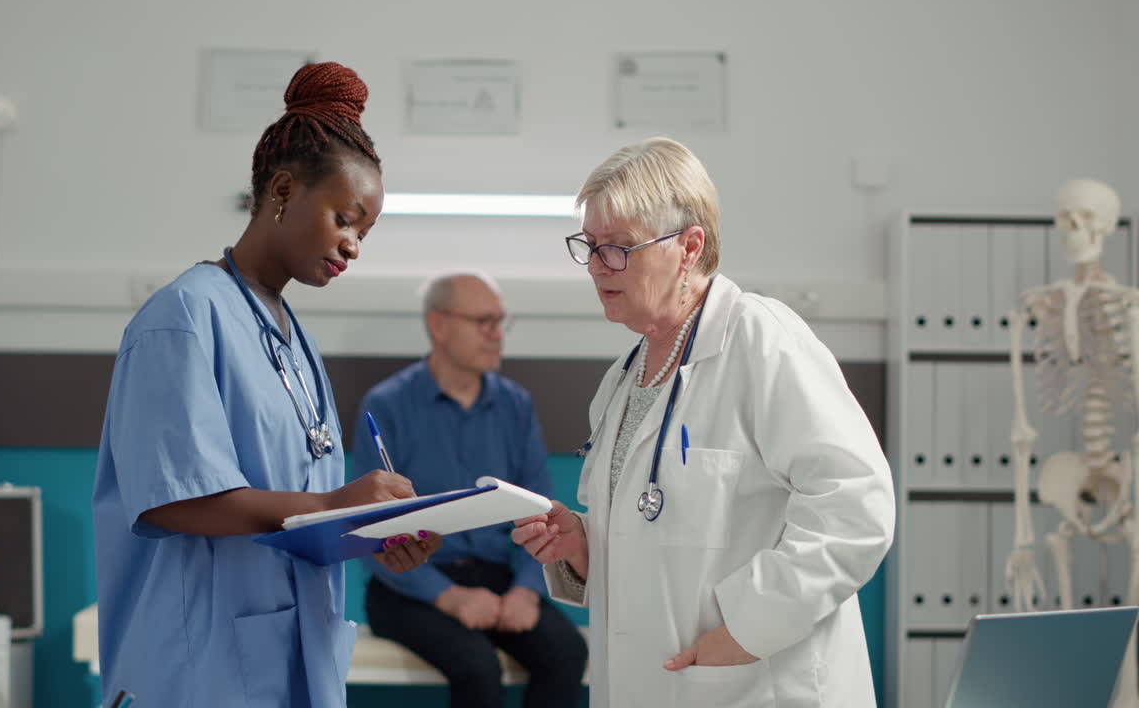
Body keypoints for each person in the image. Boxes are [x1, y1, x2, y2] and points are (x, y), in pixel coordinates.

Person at [93, 62, 441, 708]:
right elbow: (175, 501)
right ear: (282, 190)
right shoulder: (184, 317)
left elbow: (296, 510)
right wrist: (342, 505)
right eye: (345, 219)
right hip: (197, 669)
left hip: (288, 662)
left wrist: (372, 532)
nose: (354, 247)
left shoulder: (290, 338)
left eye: (364, 233)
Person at [512, 137, 895, 707]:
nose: (596, 267)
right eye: (588, 246)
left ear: (689, 246)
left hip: (756, 683)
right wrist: (584, 546)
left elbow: (856, 507)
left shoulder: (761, 340)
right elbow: (663, 537)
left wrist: (746, 630)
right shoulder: (622, 379)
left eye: (617, 248)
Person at [353, 272, 588, 708]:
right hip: (409, 583)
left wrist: (525, 589)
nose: (497, 335)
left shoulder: (515, 405)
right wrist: (448, 596)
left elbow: (541, 513)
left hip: (498, 581)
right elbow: (373, 531)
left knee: (568, 655)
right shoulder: (386, 405)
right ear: (439, 326)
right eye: (483, 322)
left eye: (501, 322)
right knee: (477, 668)